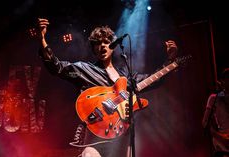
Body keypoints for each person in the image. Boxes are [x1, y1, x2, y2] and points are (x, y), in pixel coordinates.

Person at [36, 18, 178, 157]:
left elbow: (152, 80)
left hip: (122, 134)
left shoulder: (125, 75)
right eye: (97, 43)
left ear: (113, 46)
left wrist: (170, 61)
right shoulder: (85, 69)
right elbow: (57, 67)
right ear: (93, 48)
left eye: (106, 42)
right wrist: (42, 39)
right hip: (96, 132)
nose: (102, 46)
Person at [202, 68, 229, 157]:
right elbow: (205, 123)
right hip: (223, 141)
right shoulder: (214, 98)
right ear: (222, 81)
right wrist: (219, 137)